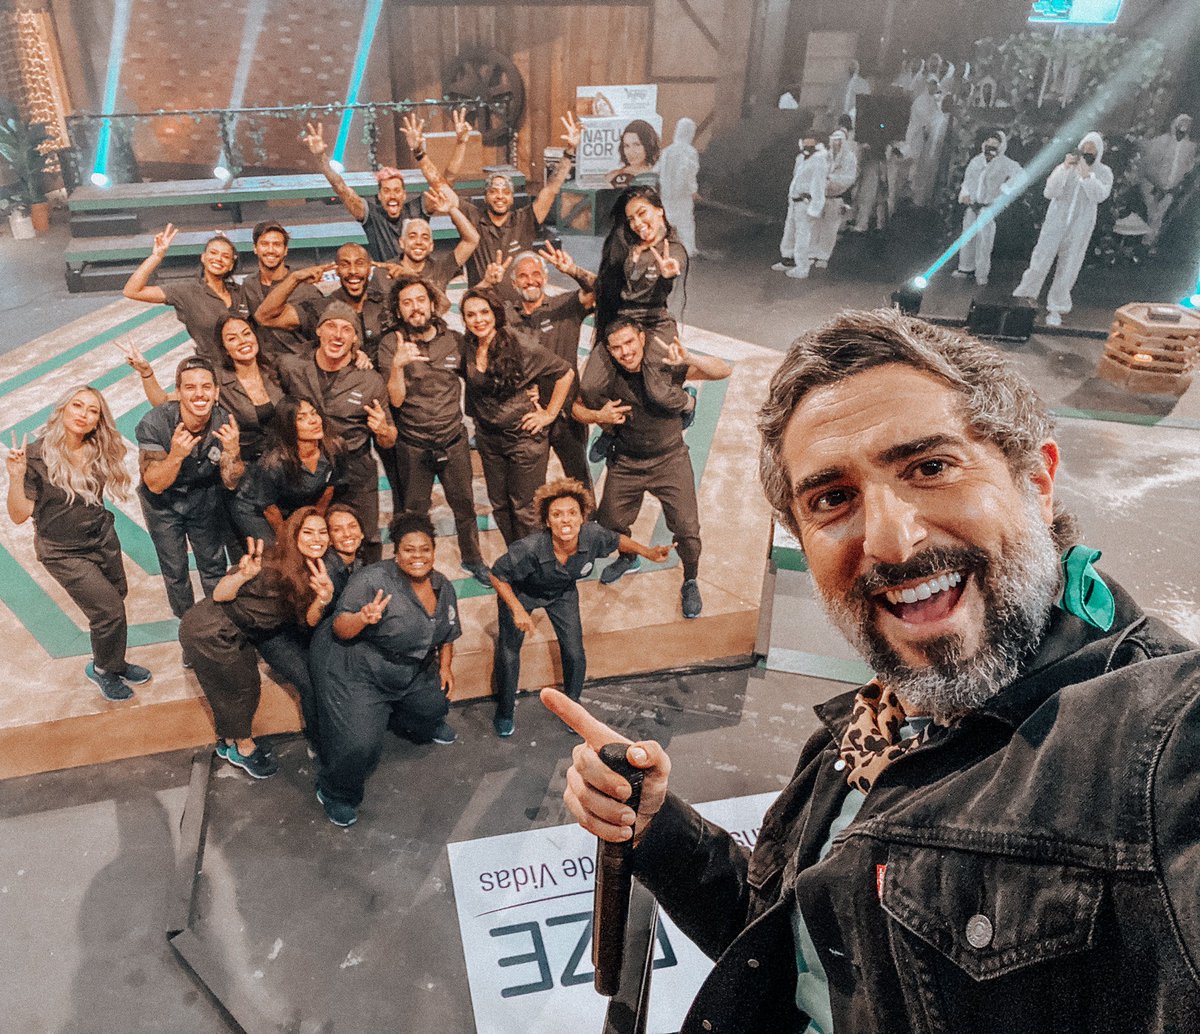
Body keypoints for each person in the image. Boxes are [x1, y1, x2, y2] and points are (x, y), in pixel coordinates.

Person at [548, 306, 1200, 1034]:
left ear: (1038, 482)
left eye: (930, 468)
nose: (891, 541)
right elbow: (798, 950)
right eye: (833, 499)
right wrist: (657, 829)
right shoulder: (875, 725)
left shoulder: (1159, 742)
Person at [488, 478, 671, 737]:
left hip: (561, 592)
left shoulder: (592, 535)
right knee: (509, 652)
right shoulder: (529, 549)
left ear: (582, 517)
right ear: (547, 521)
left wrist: (648, 552)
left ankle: (572, 706)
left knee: (574, 651)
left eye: (572, 513)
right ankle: (505, 711)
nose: (566, 520)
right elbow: (497, 574)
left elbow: (618, 540)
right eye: (557, 515)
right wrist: (517, 608)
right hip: (522, 592)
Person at [311, 511, 461, 827]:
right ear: (396, 552)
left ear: (434, 551)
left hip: (410, 669)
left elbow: (447, 632)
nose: (417, 556)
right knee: (360, 746)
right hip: (360, 670)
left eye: (425, 549)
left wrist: (445, 667)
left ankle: (399, 718)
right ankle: (335, 792)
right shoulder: (372, 580)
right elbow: (340, 627)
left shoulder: (442, 585)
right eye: (409, 549)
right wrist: (362, 618)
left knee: (435, 707)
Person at [573, 322, 730, 618]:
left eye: (629, 343)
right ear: (609, 351)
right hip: (626, 461)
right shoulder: (605, 376)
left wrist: (691, 358)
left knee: (687, 530)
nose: (625, 352)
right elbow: (575, 407)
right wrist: (597, 415)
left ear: (642, 338)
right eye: (617, 347)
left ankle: (690, 579)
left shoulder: (664, 367)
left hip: (669, 459)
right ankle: (628, 557)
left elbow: (723, 370)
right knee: (609, 523)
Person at [4, 387, 151, 701]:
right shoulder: (36, 456)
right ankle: (102, 670)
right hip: (62, 551)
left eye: (92, 410)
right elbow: (18, 515)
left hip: (101, 538)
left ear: (98, 419)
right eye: (77, 406)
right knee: (108, 611)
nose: (83, 414)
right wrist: (16, 477)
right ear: (62, 410)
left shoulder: (97, 447)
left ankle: (114, 661)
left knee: (116, 598)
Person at [179, 509, 335, 779]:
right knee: (243, 689)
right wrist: (242, 575)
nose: (317, 539)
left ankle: (228, 742)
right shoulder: (270, 560)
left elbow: (309, 621)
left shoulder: (313, 569)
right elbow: (220, 594)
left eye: (322, 532)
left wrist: (323, 598)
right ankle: (243, 748)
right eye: (308, 532)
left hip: (242, 632)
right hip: (212, 629)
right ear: (294, 535)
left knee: (232, 686)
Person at [376, 274, 489, 583]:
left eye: (420, 300)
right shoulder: (390, 343)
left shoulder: (454, 339)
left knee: (464, 506)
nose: (415, 308)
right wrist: (397, 366)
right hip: (413, 446)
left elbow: (477, 378)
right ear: (398, 310)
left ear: (432, 304)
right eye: (407, 303)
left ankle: (473, 558)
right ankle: (412, 564)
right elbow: (395, 400)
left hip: (453, 441)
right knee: (414, 514)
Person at [275, 302, 398, 562]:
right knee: (308, 540)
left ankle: (368, 582)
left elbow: (389, 440)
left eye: (347, 329)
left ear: (355, 339)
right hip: (310, 470)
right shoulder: (291, 367)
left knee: (367, 537)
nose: (338, 335)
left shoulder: (369, 380)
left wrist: (383, 431)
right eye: (331, 326)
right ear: (318, 331)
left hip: (355, 470)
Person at [460, 288, 574, 545]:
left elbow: (565, 373)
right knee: (500, 505)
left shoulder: (520, 344)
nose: (478, 320)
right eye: (471, 315)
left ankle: (535, 560)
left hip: (523, 439)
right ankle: (517, 555)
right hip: (489, 439)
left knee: (526, 509)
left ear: (495, 314)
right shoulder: (468, 345)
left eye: (484, 312)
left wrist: (549, 414)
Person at [136, 355, 244, 619]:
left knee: (213, 565)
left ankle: (219, 622)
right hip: (162, 504)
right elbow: (154, 484)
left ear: (216, 392)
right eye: (190, 387)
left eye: (206, 387)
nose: (199, 394)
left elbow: (231, 481)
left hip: (203, 497)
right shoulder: (154, 423)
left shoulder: (224, 422)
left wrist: (233, 452)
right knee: (175, 570)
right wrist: (175, 456)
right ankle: (188, 625)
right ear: (178, 393)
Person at [301, 111, 472, 263]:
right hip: (386, 282)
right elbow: (341, 188)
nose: (392, 196)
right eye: (387, 191)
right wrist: (321, 158)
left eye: (397, 191)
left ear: (404, 195)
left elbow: (445, 184)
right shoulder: (372, 215)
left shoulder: (417, 209)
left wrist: (458, 144)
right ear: (379, 196)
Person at [498, 246, 595, 489]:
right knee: (528, 484)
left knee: (578, 479)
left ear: (545, 277)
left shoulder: (566, 305)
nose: (530, 280)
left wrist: (572, 270)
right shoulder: (506, 316)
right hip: (528, 415)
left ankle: (587, 514)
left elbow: (600, 289)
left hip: (567, 414)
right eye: (523, 276)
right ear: (514, 282)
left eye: (536, 274)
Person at [458, 112, 581, 290]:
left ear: (512, 198)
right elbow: (443, 189)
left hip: (519, 303)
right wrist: (459, 144)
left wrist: (569, 152)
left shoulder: (524, 220)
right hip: (482, 303)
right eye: (493, 191)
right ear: (485, 196)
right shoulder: (473, 218)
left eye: (506, 192)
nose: (500, 196)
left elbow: (551, 189)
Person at [1014, 131, 1113, 326]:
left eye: (1092, 150)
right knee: (1040, 258)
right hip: (1055, 222)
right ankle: (1025, 296)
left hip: (1080, 225)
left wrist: (1087, 176)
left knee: (1069, 266)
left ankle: (1057, 307)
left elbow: (1100, 195)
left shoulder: (1104, 172)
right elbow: (1049, 192)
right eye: (1085, 148)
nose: (1087, 152)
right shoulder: (1066, 167)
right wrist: (1064, 169)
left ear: (1099, 152)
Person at [122, 226, 249, 362]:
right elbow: (132, 291)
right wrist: (156, 256)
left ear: (231, 265)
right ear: (203, 257)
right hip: (212, 369)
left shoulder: (242, 292)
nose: (218, 258)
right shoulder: (186, 291)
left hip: (250, 365)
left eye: (226, 256)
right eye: (213, 253)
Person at [254, 242, 391, 367]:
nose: (353, 271)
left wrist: (404, 274)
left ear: (369, 267)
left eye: (360, 264)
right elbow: (264, 317)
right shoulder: (319, 308)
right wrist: (294, 278)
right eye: (345, 265)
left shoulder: (387, 304)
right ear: (336, 270)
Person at [592, 185, 689, 352]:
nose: (637, 223)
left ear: (659, 210)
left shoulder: (672, 248)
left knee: (659, 363)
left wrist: (671, 268)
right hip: (620, 323)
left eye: (642, 213)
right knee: (595, 368)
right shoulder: (624, 245)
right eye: (631, 219)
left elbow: (676, 260)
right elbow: (603, 283)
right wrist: (573, 270)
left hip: (654, 323)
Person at [233, 397, 342, 543]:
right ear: (288, 426)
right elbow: (269, 508)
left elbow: (329, 490)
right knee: (278, 549)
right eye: (301, 418)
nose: (313, 421)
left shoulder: (334, 448)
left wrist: (316, 524)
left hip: (293, 504)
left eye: (314, 413)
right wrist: (287, 540)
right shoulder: (273, 464)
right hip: (257, 508)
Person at [237, 221, 324, 360]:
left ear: (285, 250)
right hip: (265, 365)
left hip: (301, 363)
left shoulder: (306, 288)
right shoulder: (248, 285)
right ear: (255, 248)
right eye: (264, 244)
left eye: (277, 244)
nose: (270, 250)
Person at [953, 131, 1023, 286]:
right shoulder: (976, 161)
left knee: (985, 242)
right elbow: (968, 180)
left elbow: (1021, 176)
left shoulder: (1005, 163)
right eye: (989, 141)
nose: (991, 145)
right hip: (972, 205)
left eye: (995, 143)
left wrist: (1005, 190)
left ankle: (981, 273)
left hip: (988, 207)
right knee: (967, 237)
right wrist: (965, 194)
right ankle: (965, 267)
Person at [374, 198, 481, 296]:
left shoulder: (441, 269)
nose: (419, 242)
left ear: (431, 246)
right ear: (402, 243)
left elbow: (472, 239)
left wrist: (451, 209)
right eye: (412, 236)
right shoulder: (385, 272)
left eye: (425, 237)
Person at [772, 134, 827, 279]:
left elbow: (818, 185)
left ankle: (802, 267)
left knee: (803, 236)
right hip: (795, 201)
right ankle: (788, 259)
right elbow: (796, 179)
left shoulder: (819, 160)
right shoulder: (801, 158)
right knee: (790, 232)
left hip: (805, 203)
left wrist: (815, 207)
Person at [1138, 114, 1196, 247]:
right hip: (1154, 186)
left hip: (1171, 189)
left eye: (1187, 125)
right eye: (1181, 123)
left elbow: (1187, 168)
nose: (1183, 127)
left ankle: (1148, 243)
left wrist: (1176, 185)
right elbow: (1149, 164)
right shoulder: (1162, 141)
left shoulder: (1189, 147)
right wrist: (1157, 184)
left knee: (1159, 216)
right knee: (1150, 214)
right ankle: (1141, 243)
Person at [809, 128, 858, 269]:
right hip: (820, 196)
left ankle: (823, 256)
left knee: (830, 228)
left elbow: (849, 178)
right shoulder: (824, 155)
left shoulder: (850, 158)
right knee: (814, 225)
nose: (836, 143)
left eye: (839, 140)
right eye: (834, 140)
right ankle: (810, 253)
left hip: (836, 197)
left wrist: (832, 181)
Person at [657, 117, 701, 258]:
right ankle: (688, 250)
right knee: (685, 222)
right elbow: (688, 172)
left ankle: (664, 249)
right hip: (682, 194)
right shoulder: (690, 152)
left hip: (666, 193)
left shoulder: (667, 151)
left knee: (668, 220)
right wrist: (693, 190)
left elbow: (656, 170)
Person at [606, 119, 661, 188]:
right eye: (626, 146)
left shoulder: (659, 174)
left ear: (648, 145)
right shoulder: (613, 176)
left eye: (636, 144)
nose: (630, 152)